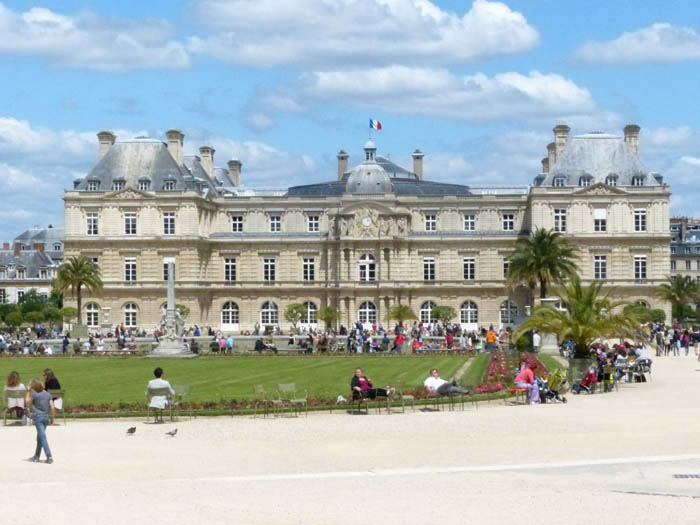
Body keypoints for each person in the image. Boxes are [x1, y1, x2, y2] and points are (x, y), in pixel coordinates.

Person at [25, 378, 54, 463]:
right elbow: (52, 407)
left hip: (38, 417)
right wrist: (52, 418)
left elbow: (27, 402)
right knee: (40, 437)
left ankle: (49, 456)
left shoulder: (34, 395)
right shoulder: (48, 394)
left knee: (42, 437)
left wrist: (27, 391)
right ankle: (36, 456)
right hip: (45, 417)